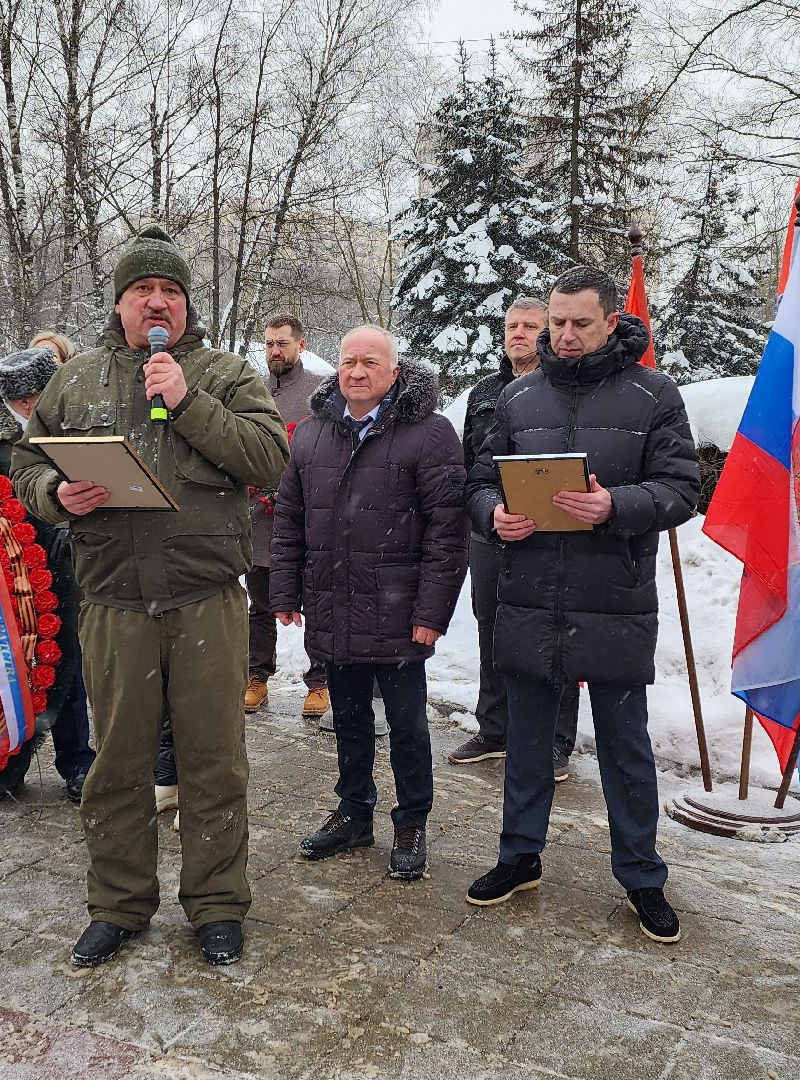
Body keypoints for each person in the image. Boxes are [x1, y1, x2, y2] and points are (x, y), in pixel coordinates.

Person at [12, 223, 288, 969]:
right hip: (114, 603)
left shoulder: (225, 374)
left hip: (206, 600)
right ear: (121, 304)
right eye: (143, 290)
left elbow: (268, 457)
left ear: (188, 305)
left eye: (170, 290)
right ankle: (119, 904)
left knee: (214, 762)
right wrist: (57, 494)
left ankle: (218, 905)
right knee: (118, 766)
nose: (156, 302)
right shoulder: (77, 378)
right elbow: (23, 466)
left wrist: (188, 399)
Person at [462, 266, 700, 944]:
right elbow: (478, 483)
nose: (563, 336)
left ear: (608, 323)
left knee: (625, 748)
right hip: (531, 591)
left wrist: (613, 506)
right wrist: (494, 516)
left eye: (578, 324)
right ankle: (518, 857)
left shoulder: (653, 394)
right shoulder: (518, 397)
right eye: (554, 324)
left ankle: (642, 876)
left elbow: (681, 489)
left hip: (614, 594)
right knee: (528, 741)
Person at [269, 327, 466, 881]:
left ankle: (410, 821)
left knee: (406, 727)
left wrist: (431, 613)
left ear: (394, 372)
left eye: (371, 363)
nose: (357, 372)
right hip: (334, 604)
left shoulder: (429, 435)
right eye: (349, 361)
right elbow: (289, 519)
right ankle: (354, 812)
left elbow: (447, 534)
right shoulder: (311, 434)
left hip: (398, 611)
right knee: (349, 721)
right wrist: (285, 589)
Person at [0, 346, 96, 803]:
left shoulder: (74, 429)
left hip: (67, 568)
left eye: (46, 394)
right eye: (30, 397)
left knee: (66, 666)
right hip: (0, 579)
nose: (37, 404)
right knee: (4, 668)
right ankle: (4, 765)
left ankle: (77, 760)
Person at [450, 297, 581, 779]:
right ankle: (495, 728)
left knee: (555, 634)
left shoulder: (565, 388)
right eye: (511, 326)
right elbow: (470, 466)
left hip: (552, 533)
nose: (518, 333)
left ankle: (555, 739)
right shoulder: (484, 392)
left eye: (530, 325)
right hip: (492, 531)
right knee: (492, 630)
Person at [244, 313, 331, 721]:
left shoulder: (321, 393)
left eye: (282, 343)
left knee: (315, 599)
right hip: (260, 520)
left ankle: (319, 682)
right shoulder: (252, 393)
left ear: (301, 344)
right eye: (269, 344)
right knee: (259, 603)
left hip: (306, 519)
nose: (275, 351)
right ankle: (257, 676)